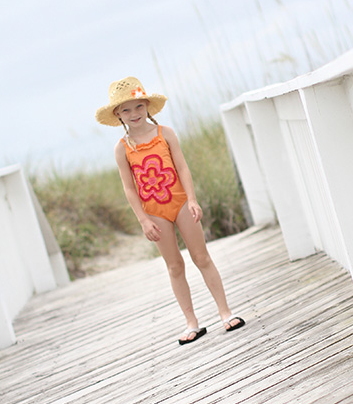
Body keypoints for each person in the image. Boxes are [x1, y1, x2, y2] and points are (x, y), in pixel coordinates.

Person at [95, 76, 246, 345]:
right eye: (126, 110)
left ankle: (225, 312)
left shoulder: (166, 134)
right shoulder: (122, 149)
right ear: (118, 114)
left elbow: (182, 168)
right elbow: (129, 188)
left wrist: (192, 200)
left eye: (138, 106)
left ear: (147, 105)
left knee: (202, 257)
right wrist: (143, 220)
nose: (134, 113)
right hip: (154, 212)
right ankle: (191, 322)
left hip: (181, 203)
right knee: (174, 266)